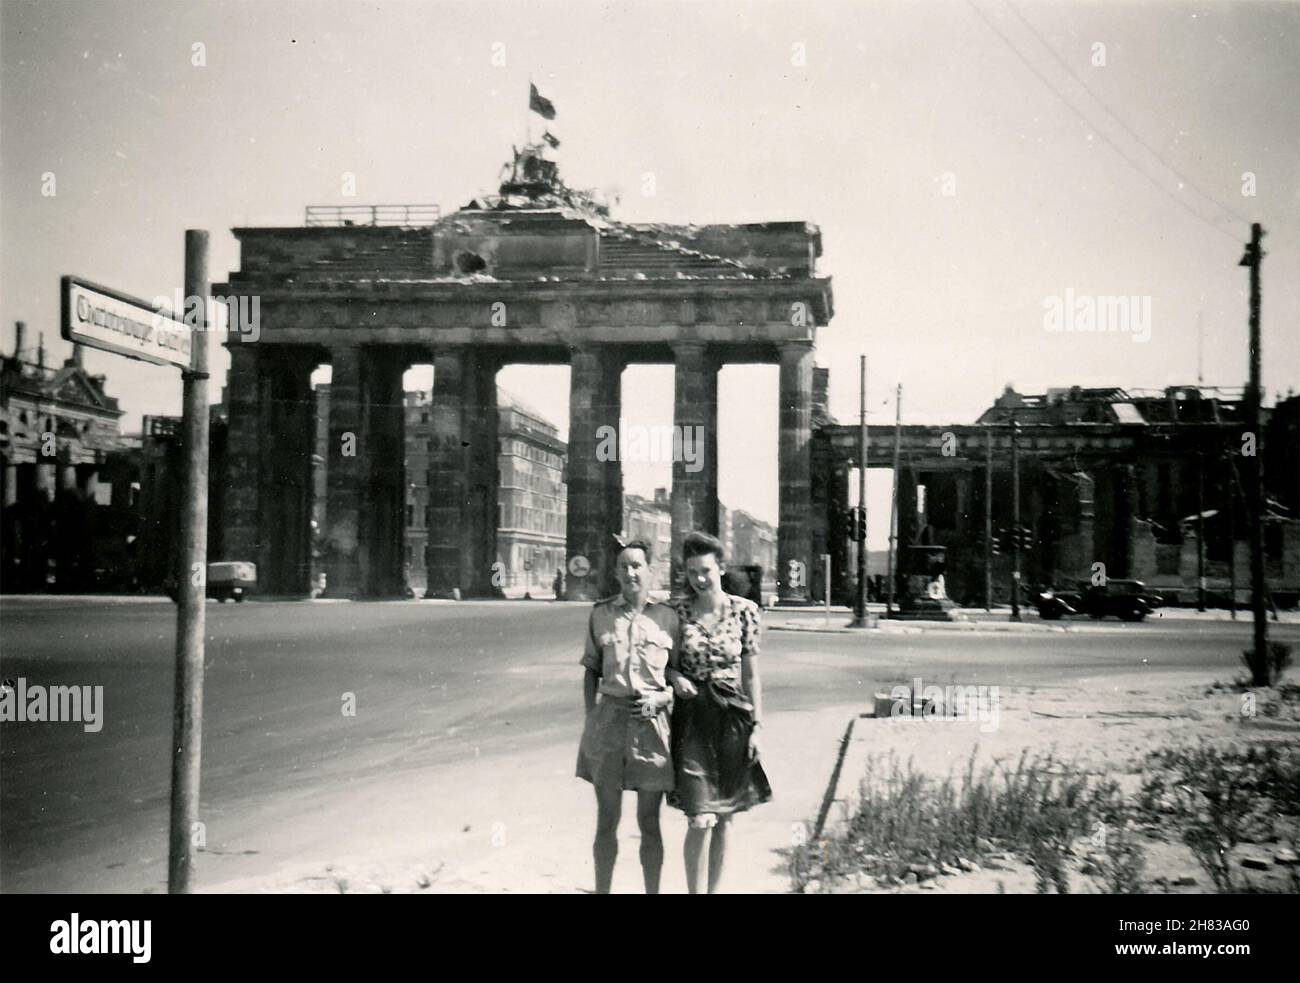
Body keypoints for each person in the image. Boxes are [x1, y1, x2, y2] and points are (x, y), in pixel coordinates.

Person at [666, 531, 772, 894]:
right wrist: (674, 676)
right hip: (693, 719)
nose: (699, 578)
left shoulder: (745, 611)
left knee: (725, 816)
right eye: (692, 571)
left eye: (706, 570)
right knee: (699, 817)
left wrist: (756, 727)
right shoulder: (677, 612)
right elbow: (662, 664)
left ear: (721, 569)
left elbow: (752, 674)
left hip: (732, 719)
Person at [575, 539, 678, 893]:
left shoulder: (668, 617)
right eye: (624, 566)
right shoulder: (600, 614)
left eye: (637, 565)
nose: (631, 572)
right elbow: (590, 670)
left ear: (650, 570)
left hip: (651, 726)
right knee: (607, 821)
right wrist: (592, 717)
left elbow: (678, 677)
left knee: (649, 822)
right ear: (617, 573)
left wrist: (663, 698)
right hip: (610, 725)